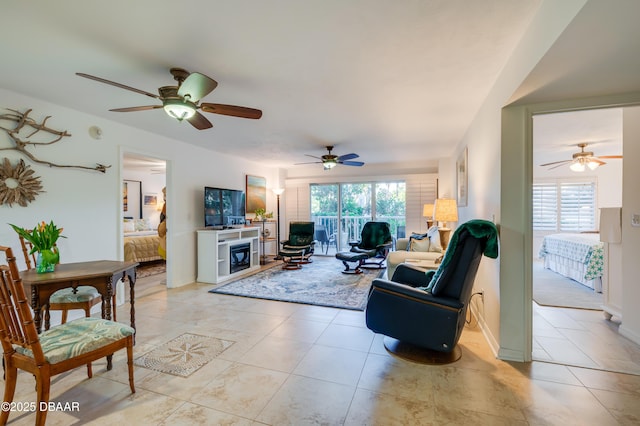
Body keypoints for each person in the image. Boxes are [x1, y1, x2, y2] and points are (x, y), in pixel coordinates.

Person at [157, 187, 167, 259]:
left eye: (165, 194)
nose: (164, 197)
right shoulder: (165, 205)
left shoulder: (167, 205)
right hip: (163, 232)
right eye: (164, 195)